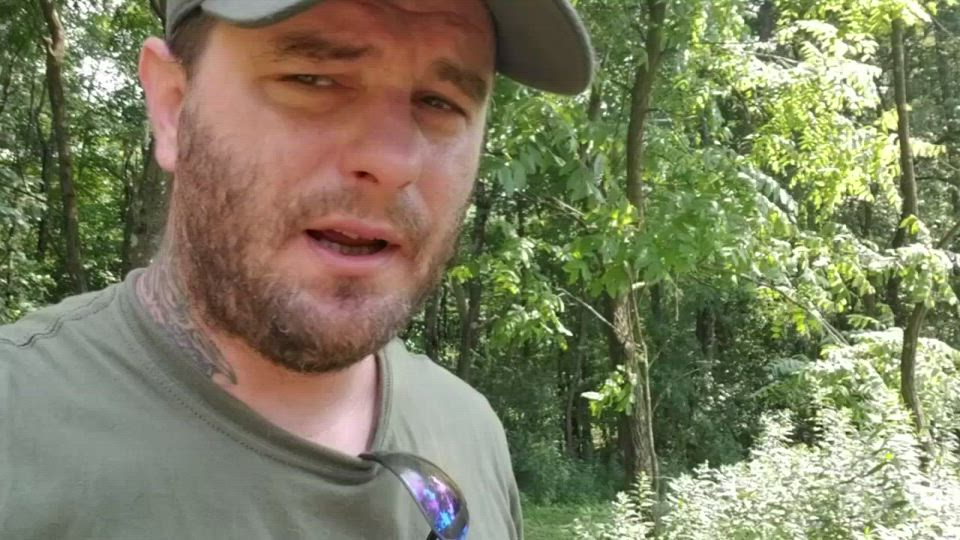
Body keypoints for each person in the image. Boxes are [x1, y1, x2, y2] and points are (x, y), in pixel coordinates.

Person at [0, 0, 593, 538]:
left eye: (440, 102)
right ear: (173, 108)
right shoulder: (18, 428)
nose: (392, 161)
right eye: (313, 79)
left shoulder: (468, 429)